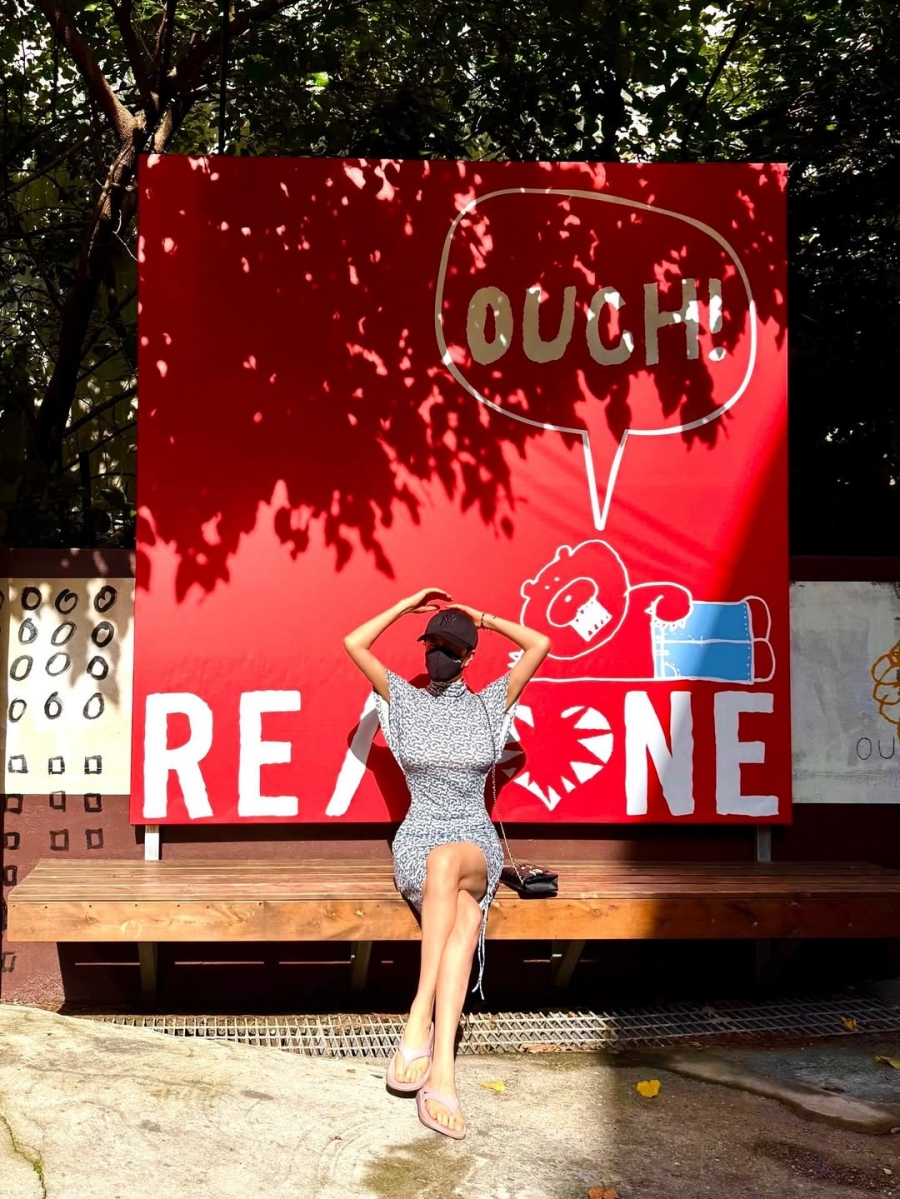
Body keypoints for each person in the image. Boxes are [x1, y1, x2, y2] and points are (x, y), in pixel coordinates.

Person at [343, 588, 550, 1139]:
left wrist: (483, 617)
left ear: (468, 657)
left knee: (449, 864)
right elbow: (354, 643)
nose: (438, 655)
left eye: (450, 648)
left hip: (474, 840)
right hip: (417, 838)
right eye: (431, 645)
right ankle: (443, 1073)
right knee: (463, 913)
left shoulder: (491, 703)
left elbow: (539, 644)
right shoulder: (402, 700)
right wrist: (406, 604)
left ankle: (418, 1014)